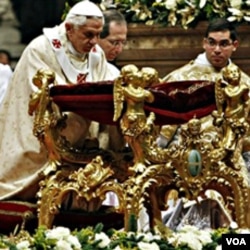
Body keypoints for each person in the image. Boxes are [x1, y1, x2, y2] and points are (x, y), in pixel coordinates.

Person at [0, 0, 121, 201]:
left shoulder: (96, 54)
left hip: (84, 132)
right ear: (69, 29)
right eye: (88, 35)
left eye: (98, 35)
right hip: (41, 134)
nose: (94, 42)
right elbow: (38, 96)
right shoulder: (41, 49)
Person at [160, 18, 250, 147]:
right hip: (187, 154)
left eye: (224, 44)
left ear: (234, 45)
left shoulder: (244, 83)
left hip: (230, 154)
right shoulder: (182, 77)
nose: (217, 49)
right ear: (204, 43)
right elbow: (166, 125)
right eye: (212, 43)